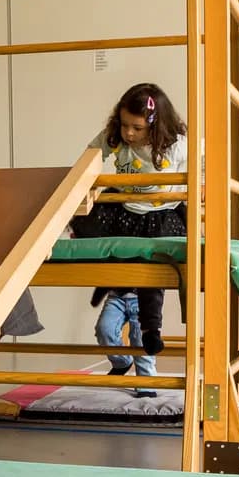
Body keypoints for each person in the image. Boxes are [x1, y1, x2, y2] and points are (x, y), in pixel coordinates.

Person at [70, 82, 190, 356]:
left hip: (160, 215)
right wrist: (82, 182)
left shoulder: (175, 145)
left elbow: (205, 161)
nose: (129, 133)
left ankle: (151, 329)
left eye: (137, 128)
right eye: (125, 125)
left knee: (151, 263)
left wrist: (200, 187)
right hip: (124, 208)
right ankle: (113, 284)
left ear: (155, 126)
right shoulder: (117, 136)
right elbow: (89, 158)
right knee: (85, 224)